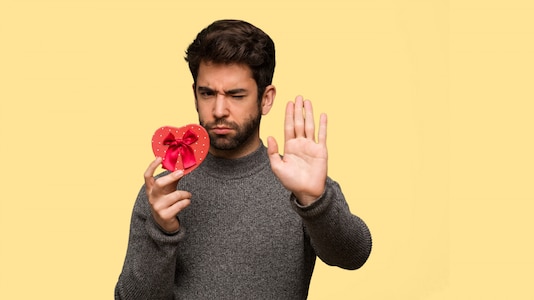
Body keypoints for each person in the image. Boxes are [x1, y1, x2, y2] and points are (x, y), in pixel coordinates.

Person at [114, 19, 372, 299]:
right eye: (207, 93)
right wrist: (161, 230)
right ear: (194, 94)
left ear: (266, 99)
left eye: (236, 95)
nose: (219, 110)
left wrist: (314, 201)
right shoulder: (163, 193)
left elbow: (354, 255)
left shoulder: (300, 182)